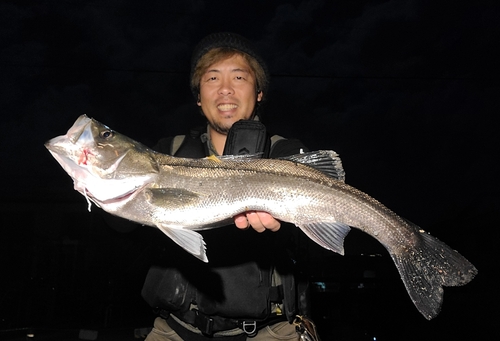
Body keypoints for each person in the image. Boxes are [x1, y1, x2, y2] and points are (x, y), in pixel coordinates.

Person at [142, 32, 318, 341]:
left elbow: (322, 242)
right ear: (198, 96)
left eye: (239, 77)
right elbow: (119, 230)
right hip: (176, 330)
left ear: (259, 92)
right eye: (212, 78)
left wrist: (285, 229)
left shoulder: (287, 155)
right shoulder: (166, 153)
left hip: (270, 332)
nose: (225, 89)